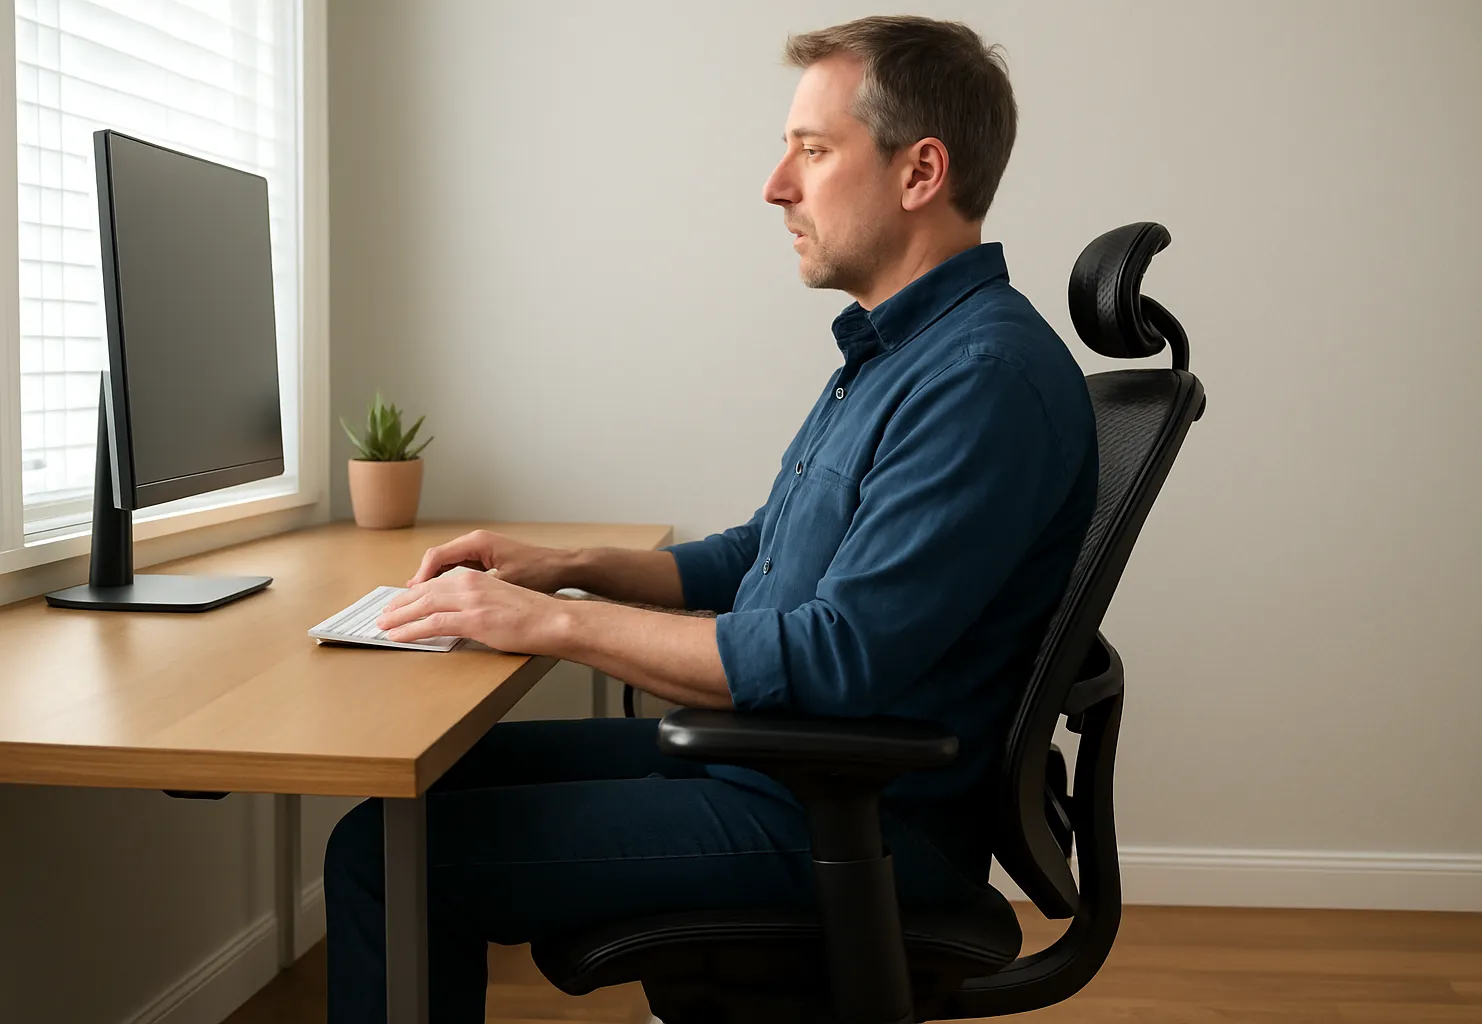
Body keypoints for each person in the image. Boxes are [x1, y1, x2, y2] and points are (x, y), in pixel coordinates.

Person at [325, 14, 1097, 1022]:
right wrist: (562, 568)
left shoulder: (981, 377)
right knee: (416, 797)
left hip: (846, 812)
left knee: (386, 857)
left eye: (812, 151)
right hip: (780, 770)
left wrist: (552, 625)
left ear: (921, 172)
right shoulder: (898, 355)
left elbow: (835, 658)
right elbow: (758, 555)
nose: (776, 185)